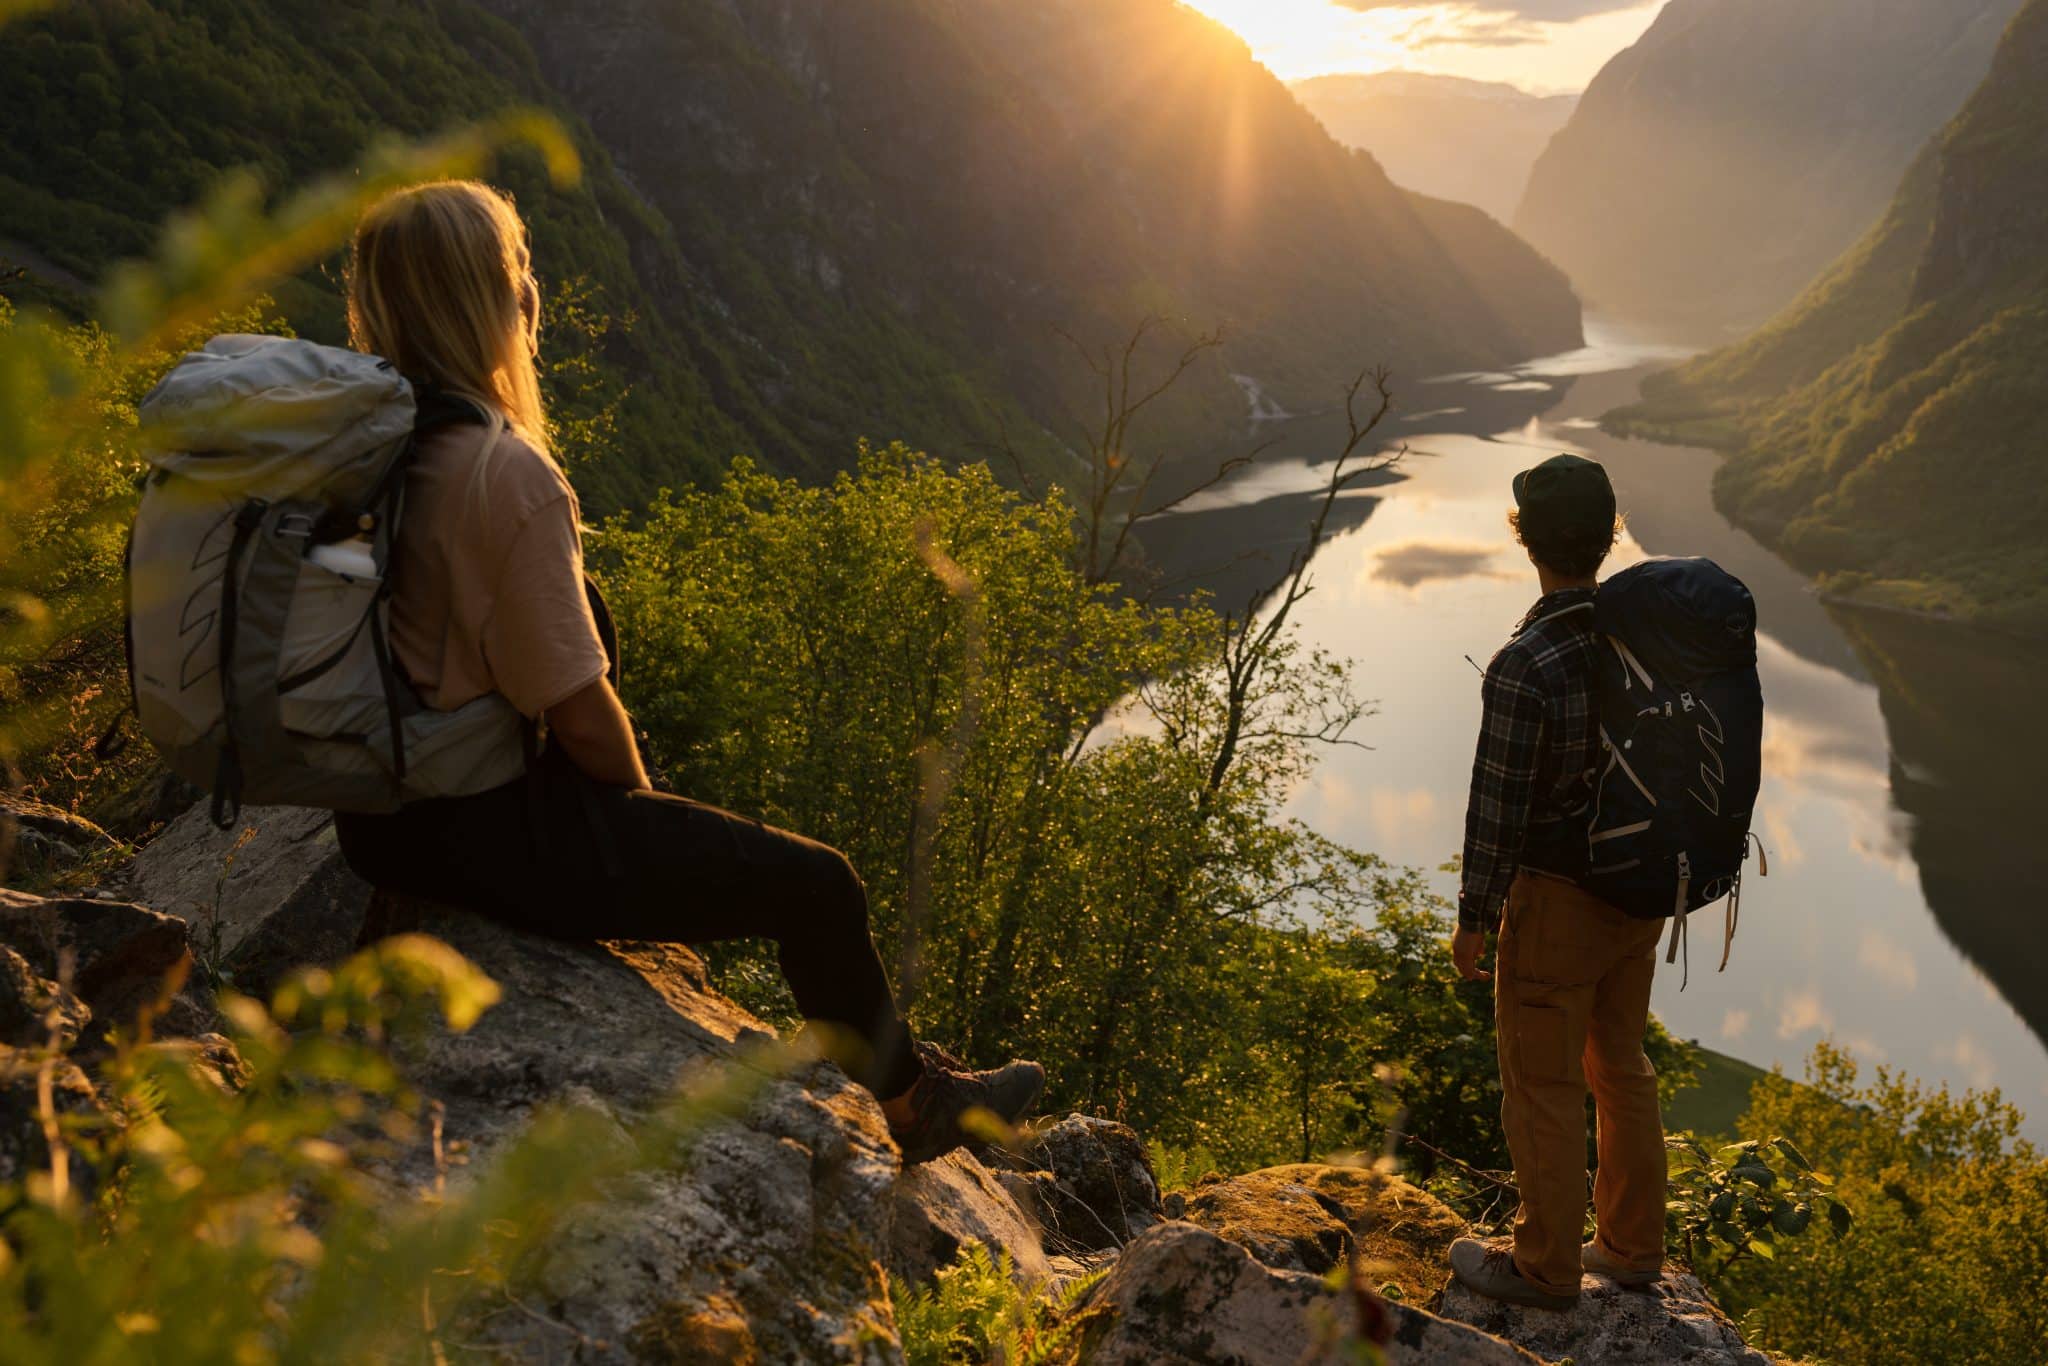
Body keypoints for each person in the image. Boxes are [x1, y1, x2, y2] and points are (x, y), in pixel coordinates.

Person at [330, 180, 1042, 1164]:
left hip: (380, 826)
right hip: (486, 831)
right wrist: (639, 820)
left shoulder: (369, 449)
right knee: (817, 885)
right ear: (483, 300)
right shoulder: (503, 472)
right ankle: (915, 1105)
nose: (530, 292)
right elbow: (578, 714)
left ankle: (905, 1076)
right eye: (514, 274)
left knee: (757, 871)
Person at [1445, 453, 1666, 1309]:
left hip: (1556, 908)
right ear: (1609, 535)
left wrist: (1475, 917)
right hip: (1636, 896)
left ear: (1525, 537)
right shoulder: (1646, 640)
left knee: (1541, 1080)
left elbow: (1495, 807)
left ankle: (1542, 1268)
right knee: (1620, 1065)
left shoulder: (1525, 663)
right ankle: (1632, 1248)